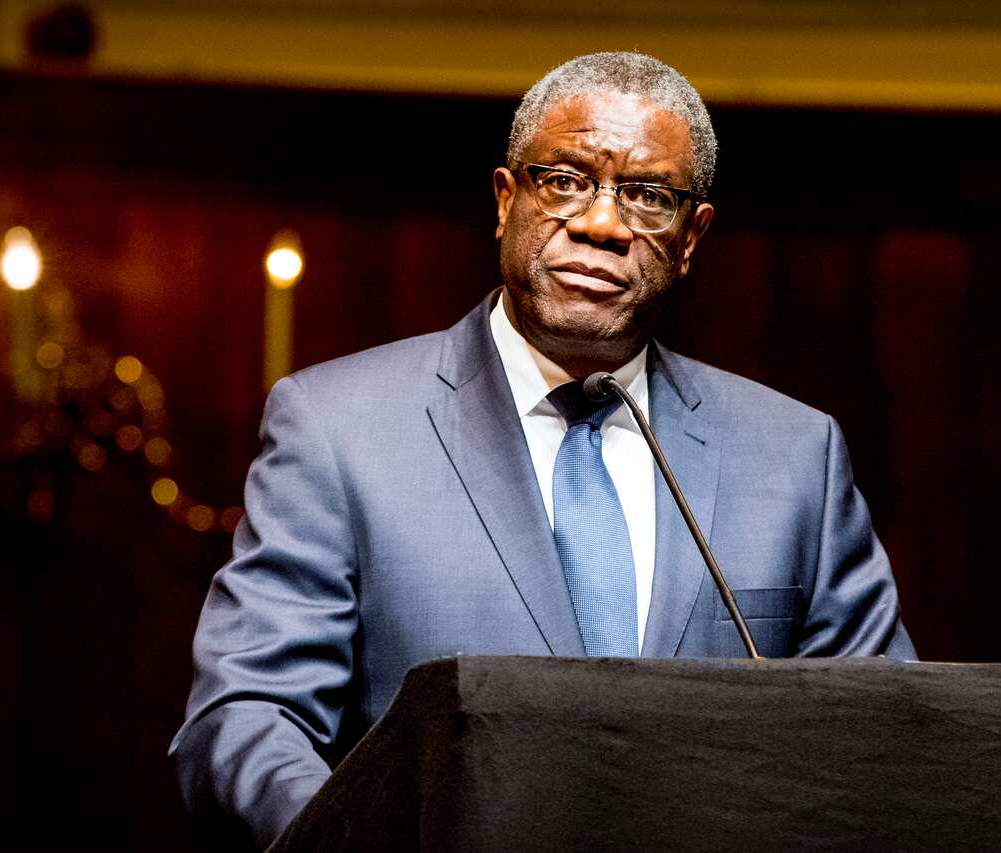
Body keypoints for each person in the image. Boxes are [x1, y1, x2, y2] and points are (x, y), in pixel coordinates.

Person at [170, 51, 915, 848]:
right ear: (505, 200)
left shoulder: (794, 454)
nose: (600, 224)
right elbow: (247, 716)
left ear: (692, 235)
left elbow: (887, 740)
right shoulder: (338, 427)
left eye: (648, 197)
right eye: (564, 180)